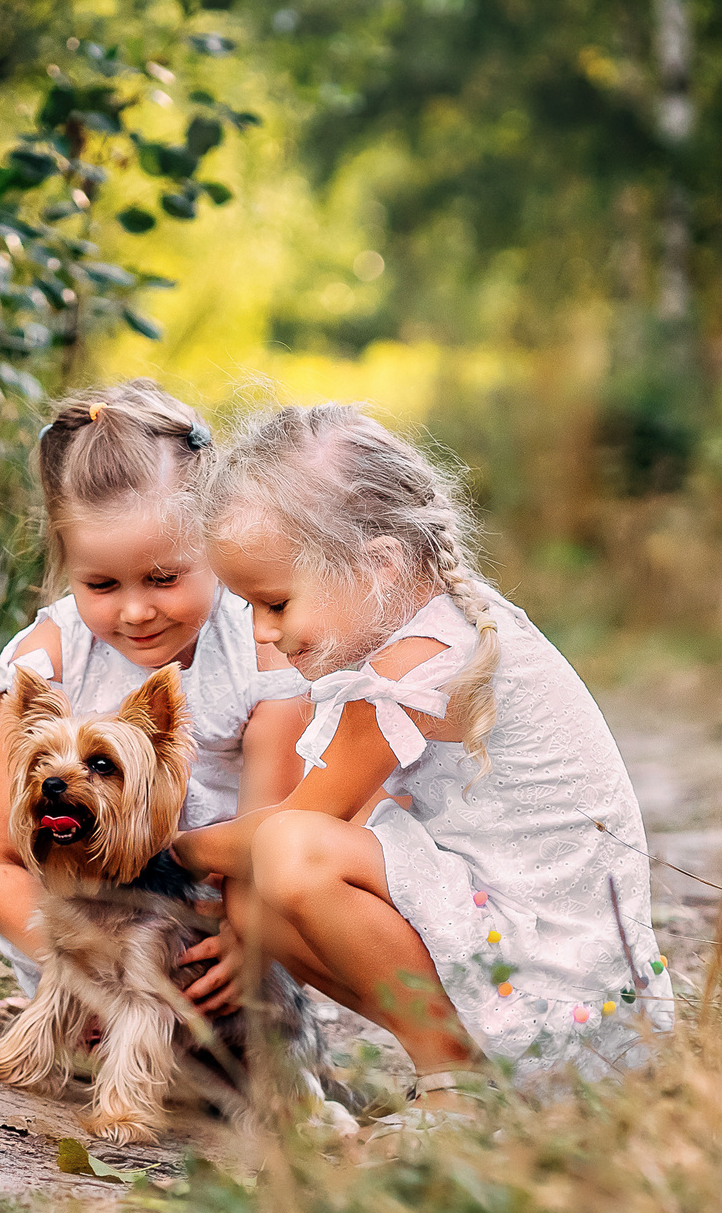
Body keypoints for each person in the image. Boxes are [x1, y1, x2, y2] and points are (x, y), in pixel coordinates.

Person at [169, 402, 672, 1104]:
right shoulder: (435, 626)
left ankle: (455, 1084)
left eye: (276, 602)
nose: (263, 633)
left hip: (566, 998)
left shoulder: (414, 665)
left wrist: (161, 847)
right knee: (258, 902)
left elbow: (302, 823)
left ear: (378, 565)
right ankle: (475, 1067)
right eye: (248, 606)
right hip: (562, 981)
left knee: (290, 852)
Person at [0, 379, 311, 1013]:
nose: (136, 611)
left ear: (217, 543)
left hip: (213, 943)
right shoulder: (48, 661)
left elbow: (267, 833)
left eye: (163, 578)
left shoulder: (260, 650)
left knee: (239, 1063)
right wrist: (89, 973)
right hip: (75, 959)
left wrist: (248, 937)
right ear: (64, 565)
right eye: (102, 584)